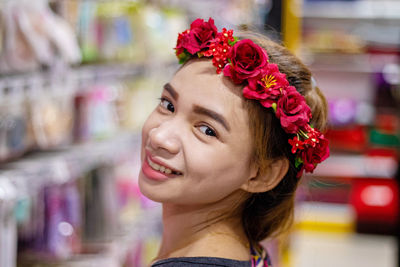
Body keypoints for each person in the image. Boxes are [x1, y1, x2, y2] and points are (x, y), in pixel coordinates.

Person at [138, 18, 329, 267]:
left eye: (207, 130)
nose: (159, 136)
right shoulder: (248, 251)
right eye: (168, 105)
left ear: (262, 174)